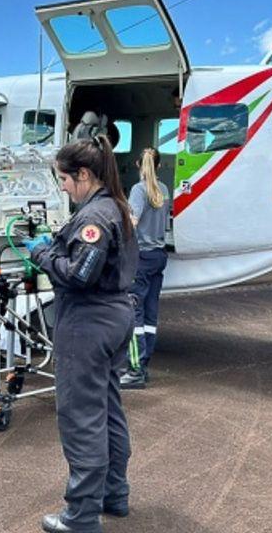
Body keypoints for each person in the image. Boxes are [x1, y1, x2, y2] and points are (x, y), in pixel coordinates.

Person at [25, 135, 138, 533]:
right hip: (115, 316)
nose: (63, 188)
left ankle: (81, 516)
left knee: (81, 417)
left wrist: (41, 253)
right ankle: (114, 495)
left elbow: (80, 275)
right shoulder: (115, 207)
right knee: (106, 409)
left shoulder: (93, 218)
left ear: (84, 174)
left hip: (88, 321)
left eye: (65, 180)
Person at [120, 148, 171, 390]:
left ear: (139, 165)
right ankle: (145, 362)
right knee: (150, 313)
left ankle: (134, 369)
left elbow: (132, 222)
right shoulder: (164, 190)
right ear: (158, 167)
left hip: (140, 258)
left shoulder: (138, 191)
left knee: (133, 314)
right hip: (159, 256)